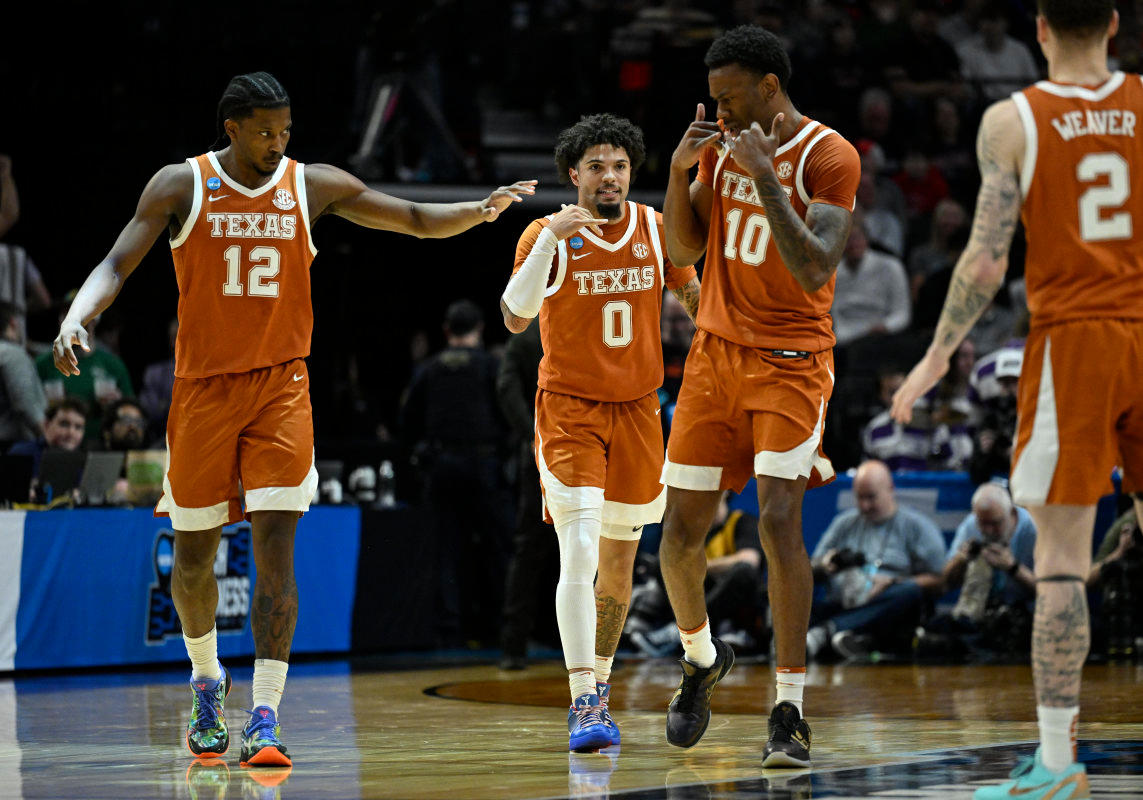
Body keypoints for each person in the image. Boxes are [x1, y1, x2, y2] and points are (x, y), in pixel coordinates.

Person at [51, 71, 535, 769]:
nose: (279, 143)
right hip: (202, 392)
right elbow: (116, 262)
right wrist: (75, 318)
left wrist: (480, 210)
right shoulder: (179, 185)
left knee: (278, 552)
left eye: (286, 130)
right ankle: (207, 682)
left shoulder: (309, 186)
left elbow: (412, 218)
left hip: (281, 389)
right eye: (266, 131)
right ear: (233, 128)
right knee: (193, 558)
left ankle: (267, 714)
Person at [890, 3, 1133, 795]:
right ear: (1113, 22)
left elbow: (986, 258)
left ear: (1037, 28)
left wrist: (933, 359)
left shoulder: (1012, 119)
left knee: (1060, 563)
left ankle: (1059, 765)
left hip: (1076, 343)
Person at [658, 24, 860, 766]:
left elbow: (814, 269)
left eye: (728, 98)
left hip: (790, 361)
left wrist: (765, 174)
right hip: (712, 358)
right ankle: (700, 658)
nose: (718, 114)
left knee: (777, 520)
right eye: (712, 101)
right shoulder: (718, 144)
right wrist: (680, 173)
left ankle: (788, 710)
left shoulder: (829, 156)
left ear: (769, 87)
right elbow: (683, 250)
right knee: (676, 538)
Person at [500, 112, 698, 752]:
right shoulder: (544, 232)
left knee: (618, 566)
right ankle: (581, 697)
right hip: (571, 412)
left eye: (618, 166)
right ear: (573, 175)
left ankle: (601, 689)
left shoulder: (653, 227)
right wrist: (554, 237)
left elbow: (694, 299)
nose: (608, 177)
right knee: (579, 553)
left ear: (630, 172)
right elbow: (513, 315)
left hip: (640, 412)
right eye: (595, 167)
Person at [400, 299, 511, 648]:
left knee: (446, 548)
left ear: (447, 330)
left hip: (442, 467)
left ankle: (450, 629)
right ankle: (497, 627)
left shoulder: (429, 369)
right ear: (479, 330)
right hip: (484, 467)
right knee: (496, 548)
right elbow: (509, 410)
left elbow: (408, 420)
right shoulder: (492, 366)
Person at [807, 460, 946, 660]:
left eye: (871, 497)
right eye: (859, 498)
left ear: (890, 489)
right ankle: (853, 638)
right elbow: (811, 567)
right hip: (845, 601)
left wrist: (891, 582)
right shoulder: (844, 523)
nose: (865, 505)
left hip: (887, 605)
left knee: (910, 592)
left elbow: (940, 581)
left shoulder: (917, 527)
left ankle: (828, 631)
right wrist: (826, 565)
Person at [496, 319, 556, 671]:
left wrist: (533, 433)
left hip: (538, 450)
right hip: (578, 446)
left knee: (529, 550)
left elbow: (505, 389)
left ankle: (513, 645)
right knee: (585, 545)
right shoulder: (575, 321)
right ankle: (594, 651)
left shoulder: (523, 334)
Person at [920, 483, 1037, 659]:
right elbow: (945, 582)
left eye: (995, 523)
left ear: (1011, 513)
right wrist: (960, 560)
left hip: (1023, 617)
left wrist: (1013, 568)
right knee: (931, 639)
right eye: (983, 523)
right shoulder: (971, 525)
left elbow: (1050, 591)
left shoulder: (1032, 529)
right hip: (979, 616)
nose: (988, 530)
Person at [0, 300, 46, 448]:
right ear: (13, 323)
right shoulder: (12, 354)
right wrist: (47, 438)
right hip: (12, 447)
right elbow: (25, 403)